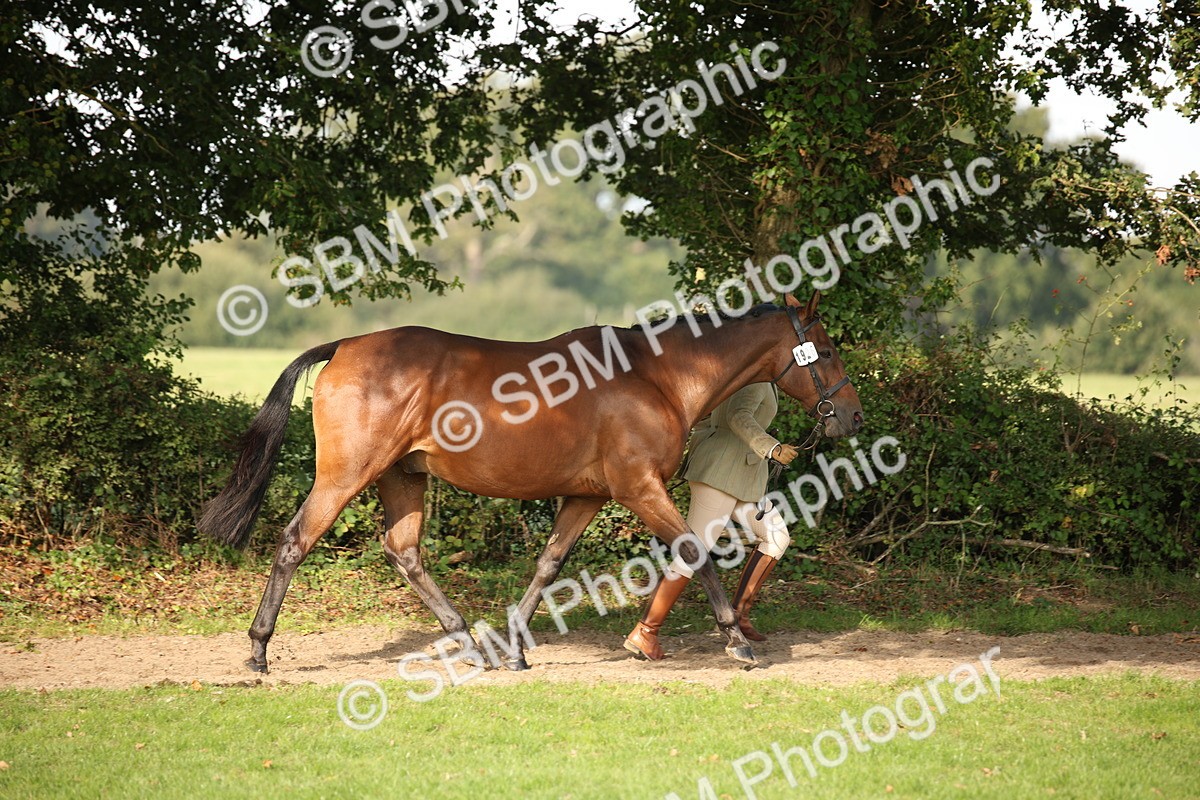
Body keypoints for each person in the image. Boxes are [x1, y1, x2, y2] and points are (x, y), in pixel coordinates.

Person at [624, 382, 798, 660]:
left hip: (743, 477)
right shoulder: (754, 378)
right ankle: (645, 632)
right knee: (693, 553)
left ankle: (738, 617)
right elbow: (737, 416)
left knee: (777, 537)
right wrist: (771, 448)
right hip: (720, 474)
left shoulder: (753, 373)